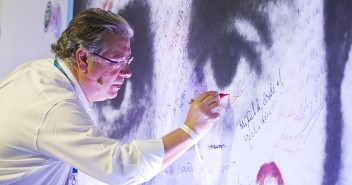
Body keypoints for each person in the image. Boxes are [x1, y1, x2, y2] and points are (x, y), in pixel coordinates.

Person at [0, 8, 220, 185]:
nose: (127, 73)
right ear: (83, 59)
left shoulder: (38, 72)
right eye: (117, 61)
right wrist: (192, 130)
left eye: (128, 61)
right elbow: (122, 170)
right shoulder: (53, 107)